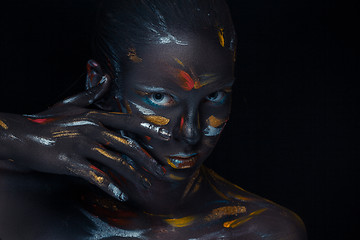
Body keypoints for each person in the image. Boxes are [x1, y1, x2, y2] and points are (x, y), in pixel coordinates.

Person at [0, 0, 307, 239]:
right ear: (98, 82)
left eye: (214, 96)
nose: (190, 132)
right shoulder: (22, 203)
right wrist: (14, 135)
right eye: (159, 98)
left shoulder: (262, 231)